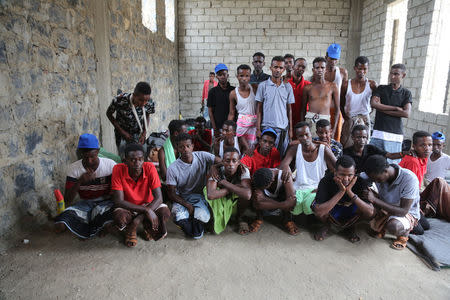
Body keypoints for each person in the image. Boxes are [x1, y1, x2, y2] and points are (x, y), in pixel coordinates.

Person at [55, 134, 117, 239]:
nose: (89, 161)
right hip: (85, 203)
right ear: (80, 154)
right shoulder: (74, 169)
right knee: (61, 224)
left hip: (105, 203)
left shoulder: (110, 165)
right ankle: (92, 220)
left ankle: (94, 221)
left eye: (92, 156)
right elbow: (67, 199)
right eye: (85, 157)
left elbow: (118, 192)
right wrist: (80, 181)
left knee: (112, 220)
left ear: (97, 151)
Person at [111, 144, 171, 247]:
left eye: (140, 159)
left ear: (144, 159)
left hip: (148, 204)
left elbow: (159, 198)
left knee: (165, 213)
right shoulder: (118, 169)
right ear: (125, 161)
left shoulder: (150, 167)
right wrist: (146, 211)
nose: (137, 163)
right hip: (128, 206)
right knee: (120, 218)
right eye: (133, 160)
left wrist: (138, 220)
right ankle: (131, 229)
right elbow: (119, 201)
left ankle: (145, 226)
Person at [166, 133, 221, 239]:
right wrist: (187, 205)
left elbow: (222, 161)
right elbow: (171, 194)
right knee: (179, 216)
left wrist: (214, 166)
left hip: (199, 197)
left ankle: (195, 220)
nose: (185, 149)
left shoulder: (202, 156)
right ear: (177, 148)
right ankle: (188, 219)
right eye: (181, 147)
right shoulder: (173, 168)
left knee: (200, 225)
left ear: (192, 146)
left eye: (187, 146)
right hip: (181, 198)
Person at [361, 155, 420, 250]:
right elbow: (360, 175)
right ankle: (383, 224)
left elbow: (403, 211)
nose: (376, 181)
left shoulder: (409, 179)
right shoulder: (377, 172)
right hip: (386, 207)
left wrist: (374, 200)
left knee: (393, 226)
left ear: (385, 171)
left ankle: (404, 234)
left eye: (377, 179)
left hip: (405, 213)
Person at [312, 155, 374, 242]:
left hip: (352, 209)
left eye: (350, 175)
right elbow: (319, 211)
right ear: (335, 172)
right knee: (317, 208)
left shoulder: (360, 182)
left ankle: (351, 226)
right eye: (342, 174)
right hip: (332, 209)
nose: (346, 179)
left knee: (367, 210)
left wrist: (349, 191)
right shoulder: (326, 181)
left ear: (355, 172)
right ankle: (326, 225)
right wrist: (341, 191)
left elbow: (370, 212)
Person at [279, 122, 336, 217]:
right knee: (295, 209)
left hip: (316, 188)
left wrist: (323, 187)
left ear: (311, 134)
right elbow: (283, 165)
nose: (304, 138)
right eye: (301, 136)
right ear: (297, 137)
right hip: (299, 188)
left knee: (308, 206)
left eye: (306, 134)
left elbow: (337, 168)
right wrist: (286, 167)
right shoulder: (295, 149)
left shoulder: (323, 149)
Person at [370, 64, 412, 163]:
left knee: (392, 165)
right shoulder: (381, 88)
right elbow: (373, 104)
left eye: (396, 74)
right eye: (391, 73)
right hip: (379, 132)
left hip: (395, 134)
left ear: (403, 75)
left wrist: (382, 108)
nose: (392, 76)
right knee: (374, 162)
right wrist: (396, 108)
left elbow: (406, 113)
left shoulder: (406, 93)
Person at [205, 147, 252, 235]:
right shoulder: (216, 171)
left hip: (234, 201)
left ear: (238, 162)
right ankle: (215, 218)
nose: (231, 164)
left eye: (234, 161)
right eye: (227, 161)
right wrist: (232, 188)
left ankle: (239, 218)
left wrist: (224, 183)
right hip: (221, 199)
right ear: (222, 162)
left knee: (245, 194)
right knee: (206, 191)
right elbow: (211, 195)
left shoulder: (243, 170)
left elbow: (248, 194)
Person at [256, 56, 295, 155]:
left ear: (284, 69)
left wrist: (290, 130)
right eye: (275, 67)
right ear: (271, 68)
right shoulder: (263, 86)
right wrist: (258, 129)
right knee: (266, 157)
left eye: (280, 68)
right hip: (267, 128)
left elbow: (289, 110)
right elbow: (259, 109)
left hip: (283, 129)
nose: (278, 70)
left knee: (280, 157)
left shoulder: (287, 87)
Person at [106, 82, 155, 156]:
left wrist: (144, 132)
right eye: (141, 100)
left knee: (140, 157)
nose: (144, 103)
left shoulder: (149, 102)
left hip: (138, 134)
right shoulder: (120, 100)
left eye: (146, 100)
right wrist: (122, 132)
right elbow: (109, 114)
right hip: (122, 135)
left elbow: (147, 114)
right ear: (134, 95)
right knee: (124, 157)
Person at [340, 56, 377, 148]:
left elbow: (375, 101)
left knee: (363, 146)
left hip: (364, 118)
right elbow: (341, 103)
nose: (362, 71)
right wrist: (346, 118)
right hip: (350, 118)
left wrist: (368, 112)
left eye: (365, 69)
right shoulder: (346, 84)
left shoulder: (372, 84)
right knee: (347, 145)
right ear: (355, 68)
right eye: (359, 68)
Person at [250, 168, 298, 235]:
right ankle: (259, 218)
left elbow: (291, 203)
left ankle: (287, 220)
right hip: (278, 203)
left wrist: (265, 199)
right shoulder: (258, 177)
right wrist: (284, 204)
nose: (260, 189)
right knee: (257, 196)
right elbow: (257, 204)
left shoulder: (284, 176)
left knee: (287, 194)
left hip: (277, 199)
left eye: (263, 187)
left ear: (272, 181)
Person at [301, 57, 340, 138]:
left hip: (325, 120)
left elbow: (337, 110)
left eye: (322, 67)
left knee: (324, 147)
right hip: (310, 120)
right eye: (317, 67)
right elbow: (303, 109)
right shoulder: (308, 88)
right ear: (313, 70)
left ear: (326, 69)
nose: (320, 70)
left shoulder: (332, 86)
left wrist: (333, 130)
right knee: (310, 147)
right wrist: (303, 127)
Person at [343, 125, 408, 173]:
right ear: (352, 137)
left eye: (364, 137)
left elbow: (390, 155)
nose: (362, 140)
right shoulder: (346, 152)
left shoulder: (370, 148)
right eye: (358, 137)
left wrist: (403, 153)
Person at [228, 64, 258, 150]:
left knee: (252, 149)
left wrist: (259, 127)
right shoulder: (233, 93)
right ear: (237, 76)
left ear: (250, 77)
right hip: (241, 125)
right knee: (240, 148)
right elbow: (231, 113)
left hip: (253, 124)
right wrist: (228, 128)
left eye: (247, 76)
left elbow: (260, 108)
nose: (244, 78)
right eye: (241, 76)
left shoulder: (255, 88)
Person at [324, 43, 348, 142]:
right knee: (322, 137)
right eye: (331, 58)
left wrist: (342, 111)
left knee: (335, 137)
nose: (333, 62)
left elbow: (343, 94)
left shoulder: (342, 72)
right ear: (326, 57)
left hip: (336, 110)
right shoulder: (321, 71)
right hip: (323, 109)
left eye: (335, 59)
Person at [207, 63, 235, 138]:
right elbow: (210, 111)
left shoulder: (234, 90)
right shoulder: (212, 92)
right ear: (217, 77)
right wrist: (215, 128)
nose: (222, 76)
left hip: (232, 127)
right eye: (220, 75)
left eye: (224, 74)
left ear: (227, 75)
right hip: (218, 127)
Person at [289, 58, 311, 126]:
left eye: (303, 67)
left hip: (302, 120)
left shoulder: (308, 85)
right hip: (287, 120)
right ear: (293, 67)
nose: (301, 68)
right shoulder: (286, 84)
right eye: (298, 66)